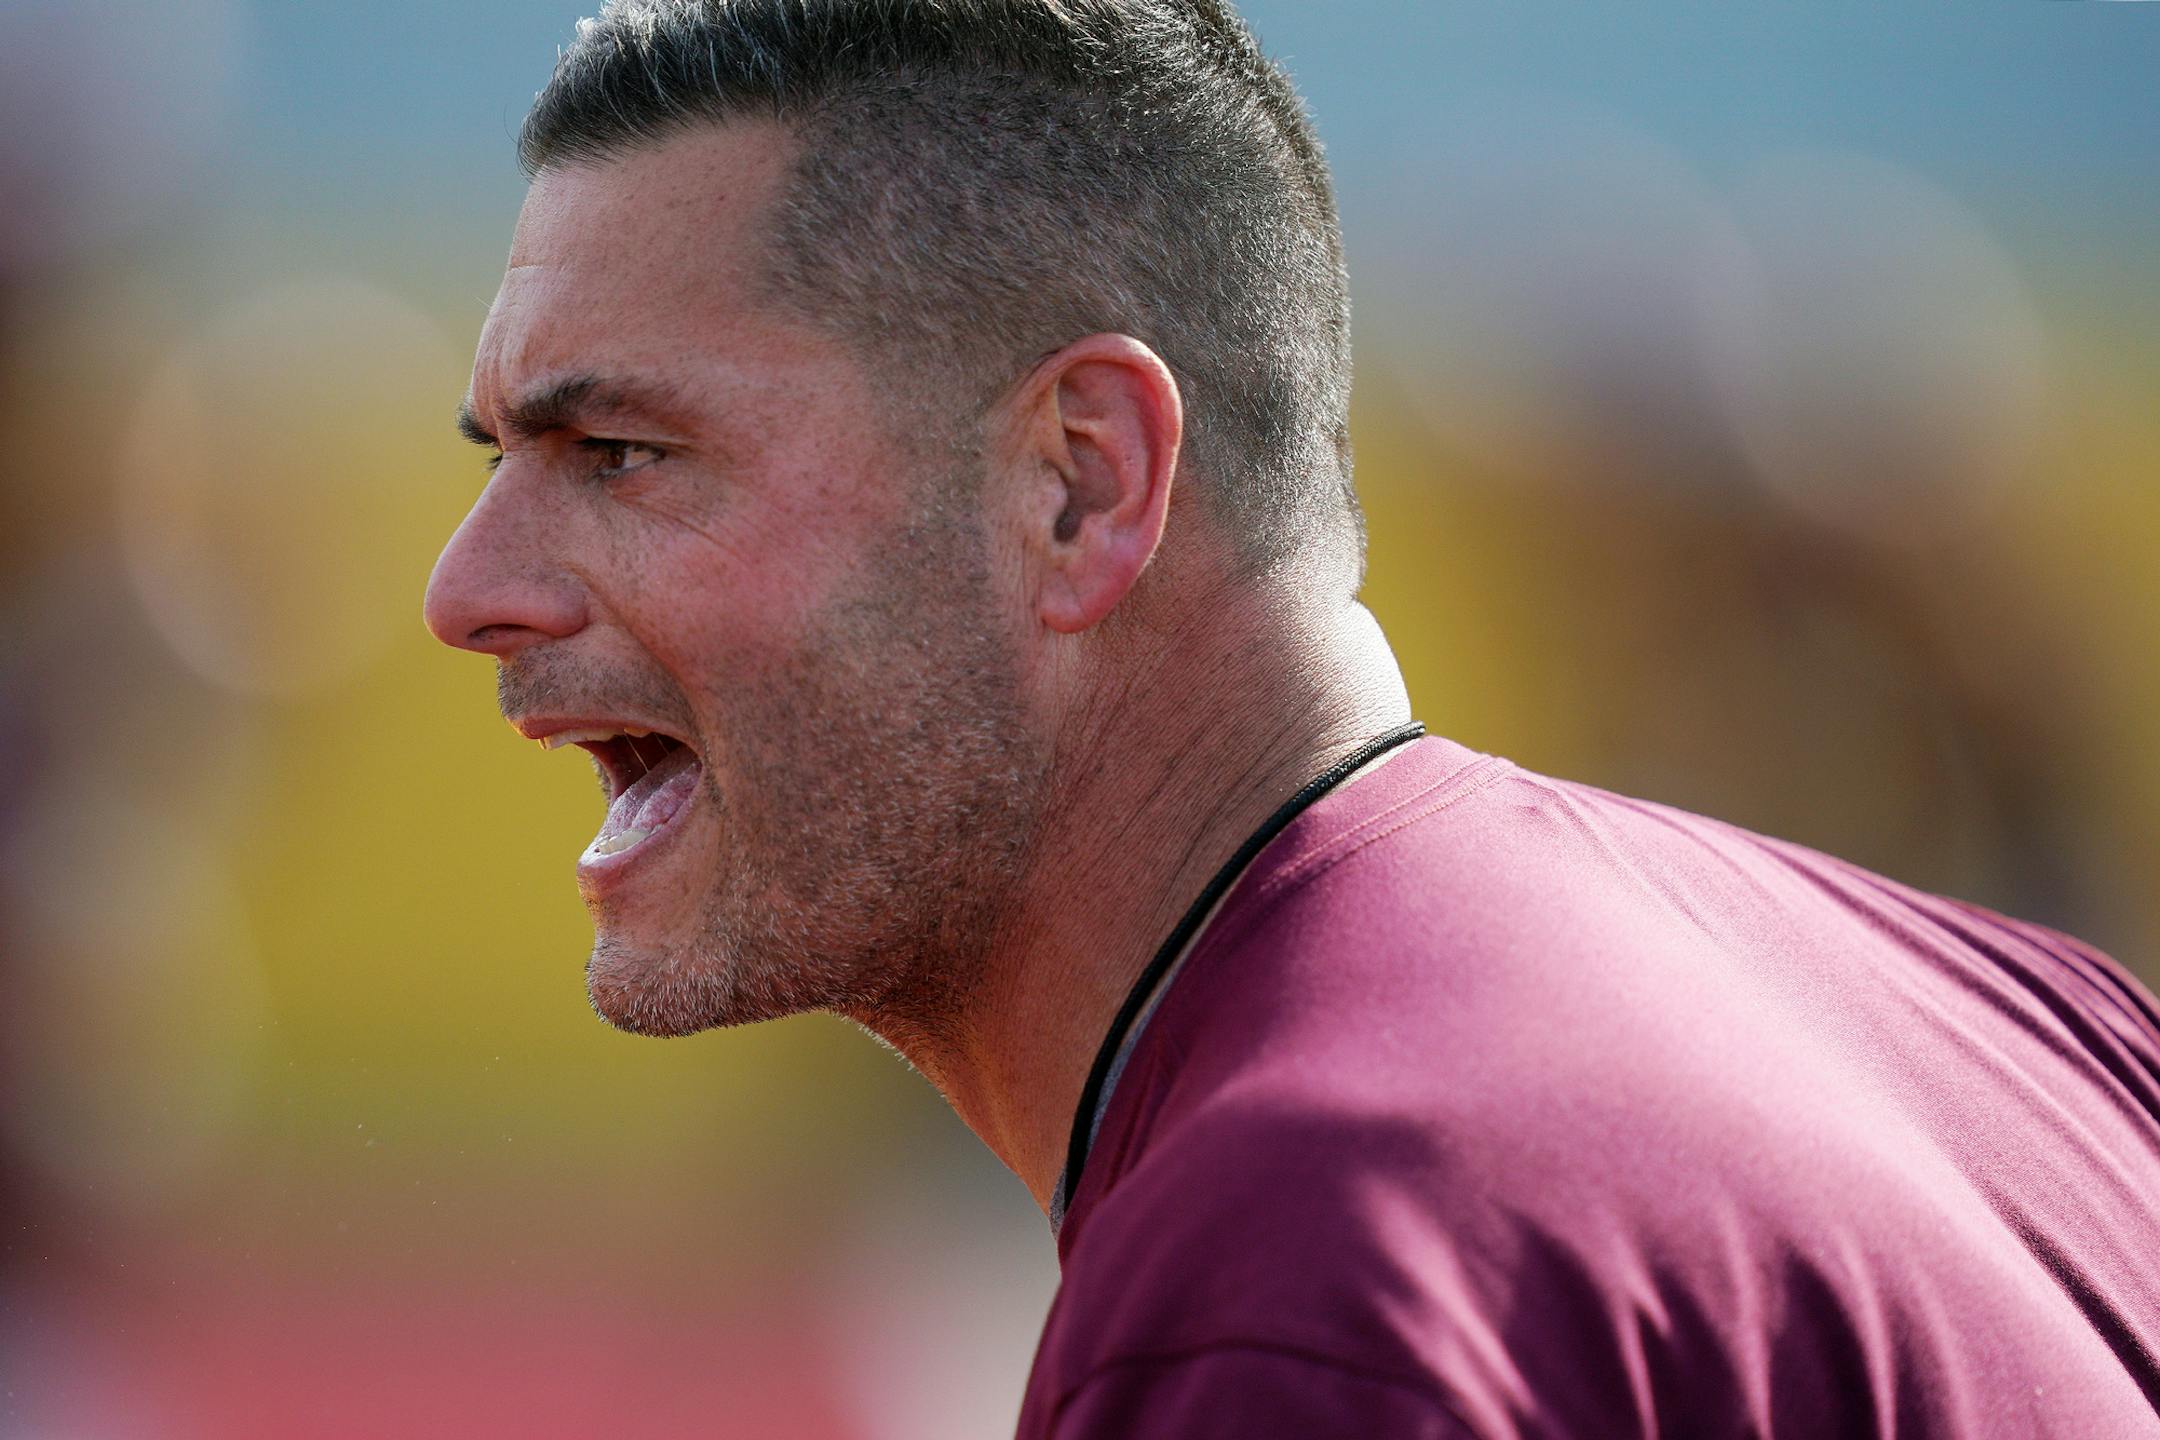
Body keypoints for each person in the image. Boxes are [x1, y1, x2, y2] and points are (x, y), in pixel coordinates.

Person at [422, 2, 2160, 1434]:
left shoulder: (1314, 1287)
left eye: (628, 454)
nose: (463, 591)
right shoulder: (2035, 1019)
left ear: (1080, 485)